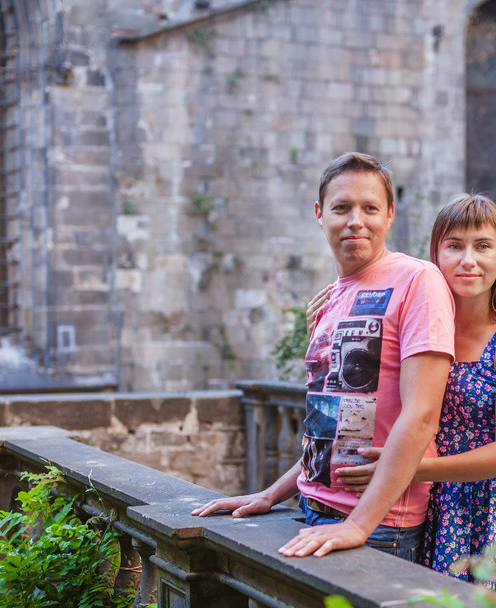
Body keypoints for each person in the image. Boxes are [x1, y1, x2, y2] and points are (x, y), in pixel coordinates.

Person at [192, 152, 455, 562]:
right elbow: (329, 427)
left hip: (378, 525)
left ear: (390, 215)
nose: (356, 220)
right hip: (312, 510)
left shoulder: (418, 281)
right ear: (320, 214)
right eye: (341, 207)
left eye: (370, 208)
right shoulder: (332, 299)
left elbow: (421, 415)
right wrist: (272, 493)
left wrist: (359, 525)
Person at [334, 193, 496, 608]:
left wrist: (409, 469)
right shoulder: (422, 325)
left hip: (481, 509)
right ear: (433, 256)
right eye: (454, 246)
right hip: (417, 506)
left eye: (483, 246)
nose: (468, 259)